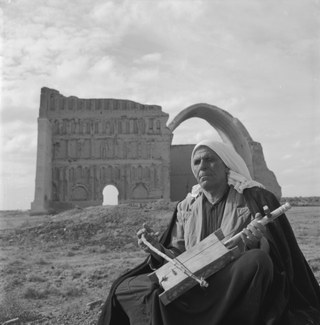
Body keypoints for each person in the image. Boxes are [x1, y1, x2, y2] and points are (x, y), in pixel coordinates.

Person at [98, 140, 320, 325]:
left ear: (226, 166)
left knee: (258, 261)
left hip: (229, 284)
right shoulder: (186, 207)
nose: (202, 165)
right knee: (124, 287)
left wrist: (255, 241)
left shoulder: (253, 198)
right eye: (197, 162)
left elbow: (279, 256)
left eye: (209, 159)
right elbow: (179, 254)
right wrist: (158, 250)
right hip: (192, 282)